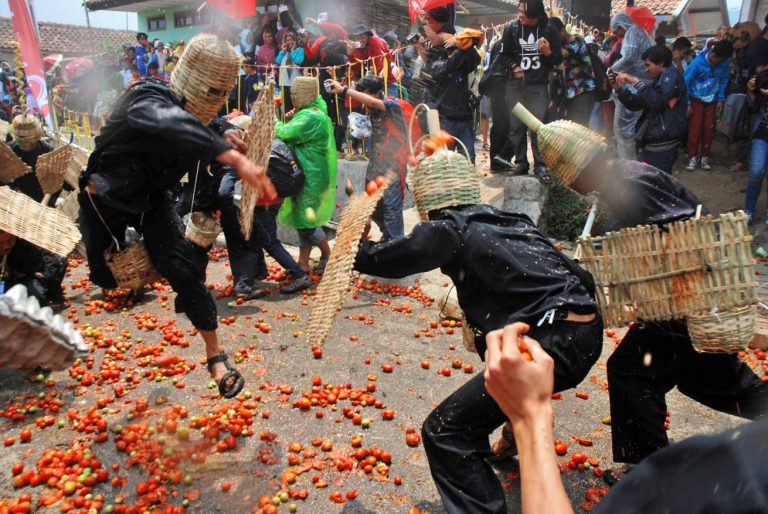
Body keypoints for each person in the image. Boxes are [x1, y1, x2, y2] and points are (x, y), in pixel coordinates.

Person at [353, 150, 602, 514]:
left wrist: (355, 248)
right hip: (588, 332)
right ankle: (516, 436)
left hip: (553, 343)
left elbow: (392, 259)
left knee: (445, 431)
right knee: (509, 369)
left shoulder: (448, 227)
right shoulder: (510, 219)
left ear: (427, 200)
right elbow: (582, 278)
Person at [536, 119, 768, 483]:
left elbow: (687, 232)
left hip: (686, 299)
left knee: (637, 371)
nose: (572, 185)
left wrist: (684, 298)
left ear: (581, 171)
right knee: (700, 377)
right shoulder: (622, 178)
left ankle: (650, 476)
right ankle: (649, 469)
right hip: (677, 300)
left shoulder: (629, 182)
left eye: (569, 176)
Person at [77, 34, 276, 399]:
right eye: (210, 91)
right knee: (104, 275)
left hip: (153, 199)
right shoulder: (147, 96)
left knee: (184, 269)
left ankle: (215, 356)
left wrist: (224, 130)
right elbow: (166, 120)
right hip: (107, 196)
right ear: (189, 78)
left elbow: (202, 121)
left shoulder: (200, 117)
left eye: (222, 92)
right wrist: (228, 154)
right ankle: (126, 252)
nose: (215, 99)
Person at [484, 323, 768, 514]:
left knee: (651, 369)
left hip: (686, 305)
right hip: (679, 306)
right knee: (642, 368)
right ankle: (645, 461)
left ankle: (649, 467)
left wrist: (529, 419)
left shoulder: (740, 477)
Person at [326, 76, 419, 241]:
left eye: (366, 95)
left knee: (391, 206)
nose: (365, 101)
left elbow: (373, 102)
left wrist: (344, 90)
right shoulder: (370, 108)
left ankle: (395, 244)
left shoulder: (392, 105)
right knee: (372, 205)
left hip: (393, 164)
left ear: (377, 94)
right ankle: (389, 235)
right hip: (375, 162)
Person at [276, 76, 335, 273]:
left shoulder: (311, 116)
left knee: (306, 220)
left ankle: (328, 254)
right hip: (310, 173)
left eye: (295, 94)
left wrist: (273, 121)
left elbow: (286, 133)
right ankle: (302, 262)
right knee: (304, 219)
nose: (292, 97)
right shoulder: (314, 110)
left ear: (305, 95)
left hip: (312, 175)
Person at [501, 0, 563, 181]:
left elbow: (558, 60)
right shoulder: (512, 29)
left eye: (523, 12)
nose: (519, 15)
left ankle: (540, 164)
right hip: (515, 86)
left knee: (538, 126)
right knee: (516, 126)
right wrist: (514, 67)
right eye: (519, 10)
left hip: (538, 86)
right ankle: (521, 161)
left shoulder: (549, 30)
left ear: (535, 14)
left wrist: (548, 52)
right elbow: (503, 55)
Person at [614, 45, 687, 173]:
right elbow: (638, 104)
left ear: (661, 63)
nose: (646, 70)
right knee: (648, 182)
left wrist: (636, 81)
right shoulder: (660, 80)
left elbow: (656, 102)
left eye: (648, 65)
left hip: (663, 145)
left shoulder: (671, 77)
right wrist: (619, 90)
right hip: (653, 143)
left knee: (657, 185)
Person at [421, 27, 483, 163]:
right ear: (446, 51)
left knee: (468, 159)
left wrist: (468, 43)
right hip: (446, 122)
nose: (458, 55)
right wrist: (461, 49)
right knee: (445, 161)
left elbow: (476, 59)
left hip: (465, 120)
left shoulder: (464, 66)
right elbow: (450, 65)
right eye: (453, 50)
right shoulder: (437, 66)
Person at [609, 11, 654, 160]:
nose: (617, 35)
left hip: (634, 88)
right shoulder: (642, 33)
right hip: (642, 86)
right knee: (630, 130)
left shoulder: (633, 32)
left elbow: (628, 58)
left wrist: (611, 69)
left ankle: (628, 167)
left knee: (624, 131)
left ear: (622, 25)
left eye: (617, 30)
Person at [684, 39, 733, 171]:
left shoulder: (724, 63)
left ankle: (705, 157)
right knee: (695, 128)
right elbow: (685, 83)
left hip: (712, 101)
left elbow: (723, 80)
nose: (723, 63)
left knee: (709, 128)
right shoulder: (696, 64)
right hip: (696, 100)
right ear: (714, 55)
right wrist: (688, 103)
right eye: (722, 60)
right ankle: (692, 157)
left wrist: (721, 99)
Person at [0, 229, 66, 307]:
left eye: (10, 239)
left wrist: (44, 276)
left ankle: (50, 297)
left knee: (60, 260)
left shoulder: (24, 243)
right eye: (0, 242)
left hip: (28, 277)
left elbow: (48, 259)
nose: (6, 246)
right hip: (6, 285)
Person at [551, 17, 597, 127]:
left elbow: (562, 54)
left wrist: (546, 50)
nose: (552, 39)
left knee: (579, 126)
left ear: (562, 31)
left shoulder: (577, 40)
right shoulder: (557, 46)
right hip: (568, 94)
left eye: (553, 35)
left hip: (583, 91)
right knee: (569, 128)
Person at [7, 113, 58, 206]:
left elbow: (54, 181)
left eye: (28, 139)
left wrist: (45, 203)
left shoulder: (48, 151)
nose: (25, 144)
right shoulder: (9, 149)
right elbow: (4, 177)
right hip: (15, 199)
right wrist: (16, 191)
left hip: (41, 197)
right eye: (21, 138)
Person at [346, 24, 397, 98]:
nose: (360, 41)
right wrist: (350, 54)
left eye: (362, 37)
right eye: (357, 38)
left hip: (386, 83)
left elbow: (380, 66)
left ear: (368, 37)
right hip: (372, 85)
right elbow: (356, 68)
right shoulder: (358, 49)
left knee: (390, 107)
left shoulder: (375, 41)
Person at [743, 72, 768, 221]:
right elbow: (753, 107)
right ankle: (748, 211)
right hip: (762, 133)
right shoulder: (764, 77)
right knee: (756, 170)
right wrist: (751, 91)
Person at [276, 30, 305, 113]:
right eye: (287, 40)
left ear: (295, 40)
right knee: (285, 107)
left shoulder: (300, 50)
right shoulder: (283, 52)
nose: (289, 42)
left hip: (294, 83)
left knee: (295, 106)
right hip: (283, 83)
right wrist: (282, 51)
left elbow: (298, 61)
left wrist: (292, 51)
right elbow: (278, 61)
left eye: (291, 39)